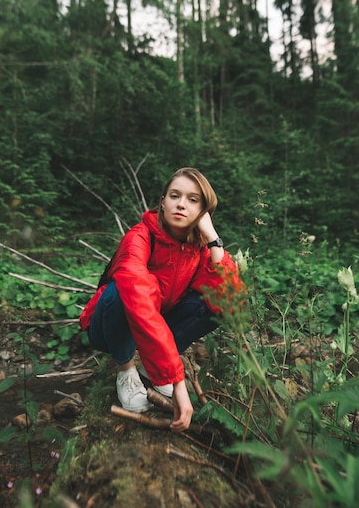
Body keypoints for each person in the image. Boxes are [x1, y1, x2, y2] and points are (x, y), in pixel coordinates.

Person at [80, 167, 243, 433]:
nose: (181, 204)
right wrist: (177, 380)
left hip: (156, 320)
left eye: (193, 200)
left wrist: (214, 242)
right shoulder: (139, 238)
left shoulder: (198, 248)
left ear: (204, 212)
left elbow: (231, 303)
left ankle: (151, 364)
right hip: (108, 326)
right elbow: (139, 299)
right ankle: (126, 370)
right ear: (162, 202)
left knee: (212, 304)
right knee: (122, 290)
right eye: (175, 195)